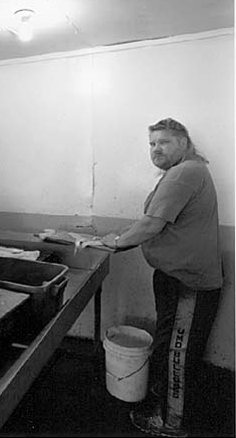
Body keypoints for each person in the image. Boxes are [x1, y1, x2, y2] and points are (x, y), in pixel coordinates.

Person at [99, 118, 223, 437]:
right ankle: (167, 399)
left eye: (164, 142)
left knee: (176, 353)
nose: (155, 149)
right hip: (176, 278)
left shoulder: (186, 172)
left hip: (189, 283)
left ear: (183, 143)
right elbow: (151, 221)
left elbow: (151, 225)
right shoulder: (182, 172)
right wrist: (122, 237)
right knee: (172, 347)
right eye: (152, 143)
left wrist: (113, 243)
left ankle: (170, 423)